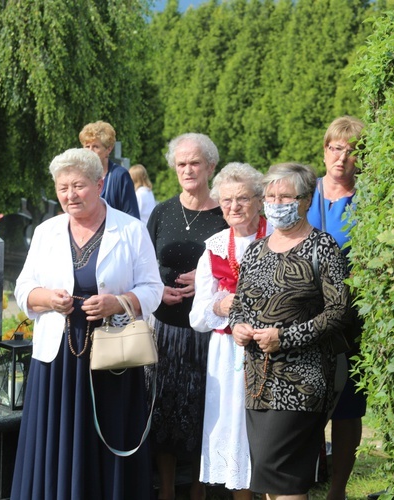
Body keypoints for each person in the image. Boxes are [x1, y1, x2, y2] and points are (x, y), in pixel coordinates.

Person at [10, 148, 163, 500]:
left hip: (113, 356)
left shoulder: (131, 229)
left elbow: (153, 289)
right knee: (57, 437)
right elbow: (23, 288)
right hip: (58, 357)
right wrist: (48, 299)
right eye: (62, 188)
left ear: (100, 183)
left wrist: (119, 302)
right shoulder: (47, 231)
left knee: (108, 435)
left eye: (77, 186)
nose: (69, 195)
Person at [230, 162, 350, 500]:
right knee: (269, 477)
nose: (276, 202)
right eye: (270, 195)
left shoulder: (321, 247)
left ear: (306, 201)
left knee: (285, 476)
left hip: (302, 379)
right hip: (257, 380)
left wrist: (285, 337)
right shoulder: (255, 250)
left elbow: (338, 311)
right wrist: (237, 326)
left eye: (286, 196)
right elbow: (239, 303)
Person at [146, 133, 228, 500]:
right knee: (162, 409)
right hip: (165, 329)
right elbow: (144, 266)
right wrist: (159, 287)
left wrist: (210, 278)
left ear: (211, 166)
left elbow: (240, 266)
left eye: (195, 162)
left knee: (202, 409)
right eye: (181, 164)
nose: (188, 170)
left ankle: (198, 488)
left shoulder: (225, 213)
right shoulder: (161, 211)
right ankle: (165, 489)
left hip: (206, 332)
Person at [189, 162, 266, 500]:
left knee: (269, 435)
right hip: (229, 354)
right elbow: (198, 317)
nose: (233, 207)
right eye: (226, 201)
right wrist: (221, 306)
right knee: (236, 433)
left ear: (260, 200)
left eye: (242, 199)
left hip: (272, 348)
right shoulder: (215, 246)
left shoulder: (278, 237)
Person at [307, 115, 367, 500]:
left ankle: (339, 490)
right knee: (304, 401)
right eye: (334, 147)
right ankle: (305, 476)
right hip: (304, 313)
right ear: (325, 149)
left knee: (348, 406)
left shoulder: (368, 199)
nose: (341, 157)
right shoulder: (301, 192)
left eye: (350, 150)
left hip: (350, 319)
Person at [79, 120, 140, 218]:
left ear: (108, 149)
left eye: (95, 147)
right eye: (87, 146)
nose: (90, 151)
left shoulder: (120, 176)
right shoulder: (79, 175)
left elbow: (132, 216)